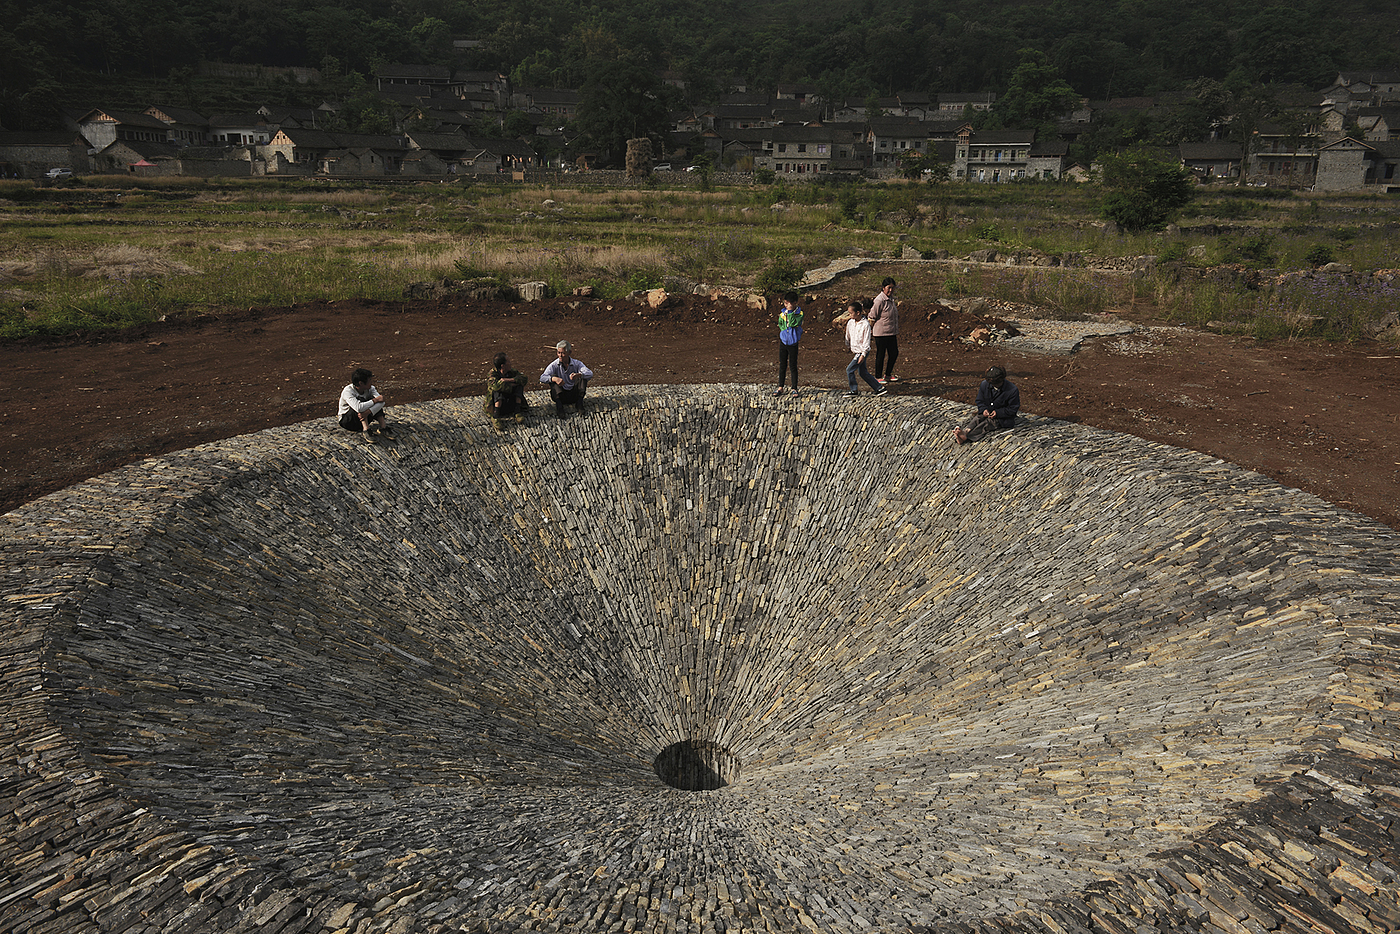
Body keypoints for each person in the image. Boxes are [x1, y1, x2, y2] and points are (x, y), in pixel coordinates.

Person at [953, 366, 1020, 444]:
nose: (995, 385)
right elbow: (980, 400)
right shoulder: (985, 384)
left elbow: (1013, 409)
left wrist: (998, 413)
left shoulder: (1012, 390)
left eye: (997, 383)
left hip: (1003, 418)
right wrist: (984, 409)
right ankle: (966, 431)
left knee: (987, 423)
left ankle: (968, 437)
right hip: (988, 411)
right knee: (978, 418)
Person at [843, 300, 887, 396]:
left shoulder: (865, 324)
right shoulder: (850, 323)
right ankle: (879, 388)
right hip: (856, 351)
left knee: (849, 370)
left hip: (861, 352)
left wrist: (863, 354)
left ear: (858, 313)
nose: (849, 315)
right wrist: (848, 345)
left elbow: (866, 340)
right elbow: (848, 335)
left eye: (851, 313)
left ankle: (854, 390)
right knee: (863, 372)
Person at [338, 367, 394, 441]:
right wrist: (374, 400)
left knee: (373, 402)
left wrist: (368, 412)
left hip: (365, 415)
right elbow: (358, 408)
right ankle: (366, 429)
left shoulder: (371, 388)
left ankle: (383, 427)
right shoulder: (348, 391)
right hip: (348, 421)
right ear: (361, 383)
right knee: (362, 402)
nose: (371, 382)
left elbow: (381, 401)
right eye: (369, 380)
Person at [540, 340, 594, 417]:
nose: (560, 355)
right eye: (558, 353)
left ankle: (579, 403)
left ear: (569, 353)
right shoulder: (554, 365)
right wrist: (554, 379)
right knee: (552, 378)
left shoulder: (577, 364)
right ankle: (559, 407)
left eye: (563, 353)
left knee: (583, 376)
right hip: (561, 395)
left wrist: (579, 375)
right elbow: (542, 377)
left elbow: (590, 373)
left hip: (574, 394)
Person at [485, 352, 529, 429]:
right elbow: (496, 386)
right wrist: (511, 384)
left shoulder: (511, 372)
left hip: (509, 402)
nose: (510, 363)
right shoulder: (492, 374)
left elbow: (524, 378)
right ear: (503, 366)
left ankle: (517, 411)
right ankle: (496, 416)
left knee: (519, 385)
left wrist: (508, 380)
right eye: (508, 361)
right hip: (497, 405)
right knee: (499, 391)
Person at [869, 277, 900, 385]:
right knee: (881, 354)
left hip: (891, 332)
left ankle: (888, 374)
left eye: (892, 288)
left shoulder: (891, 299)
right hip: (881, 333)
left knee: (894, 353)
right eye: (889, 288)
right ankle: (878, 376)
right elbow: (872, 316)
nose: (890, 290)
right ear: (883, 288)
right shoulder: (879, 300)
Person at [773, 290, 804, 396]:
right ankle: (780, 386)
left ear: (795, 303)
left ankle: (794, 387)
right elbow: (781, 323)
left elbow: (793, 323)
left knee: (793, 365)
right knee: (782, 365)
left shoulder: (799, 314)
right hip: (783, 342)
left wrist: (790, 312)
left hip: (793, 343)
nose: (786, 305)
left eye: (788, 303)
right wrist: (783, 333)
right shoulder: (782, 313)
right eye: (785, 303)